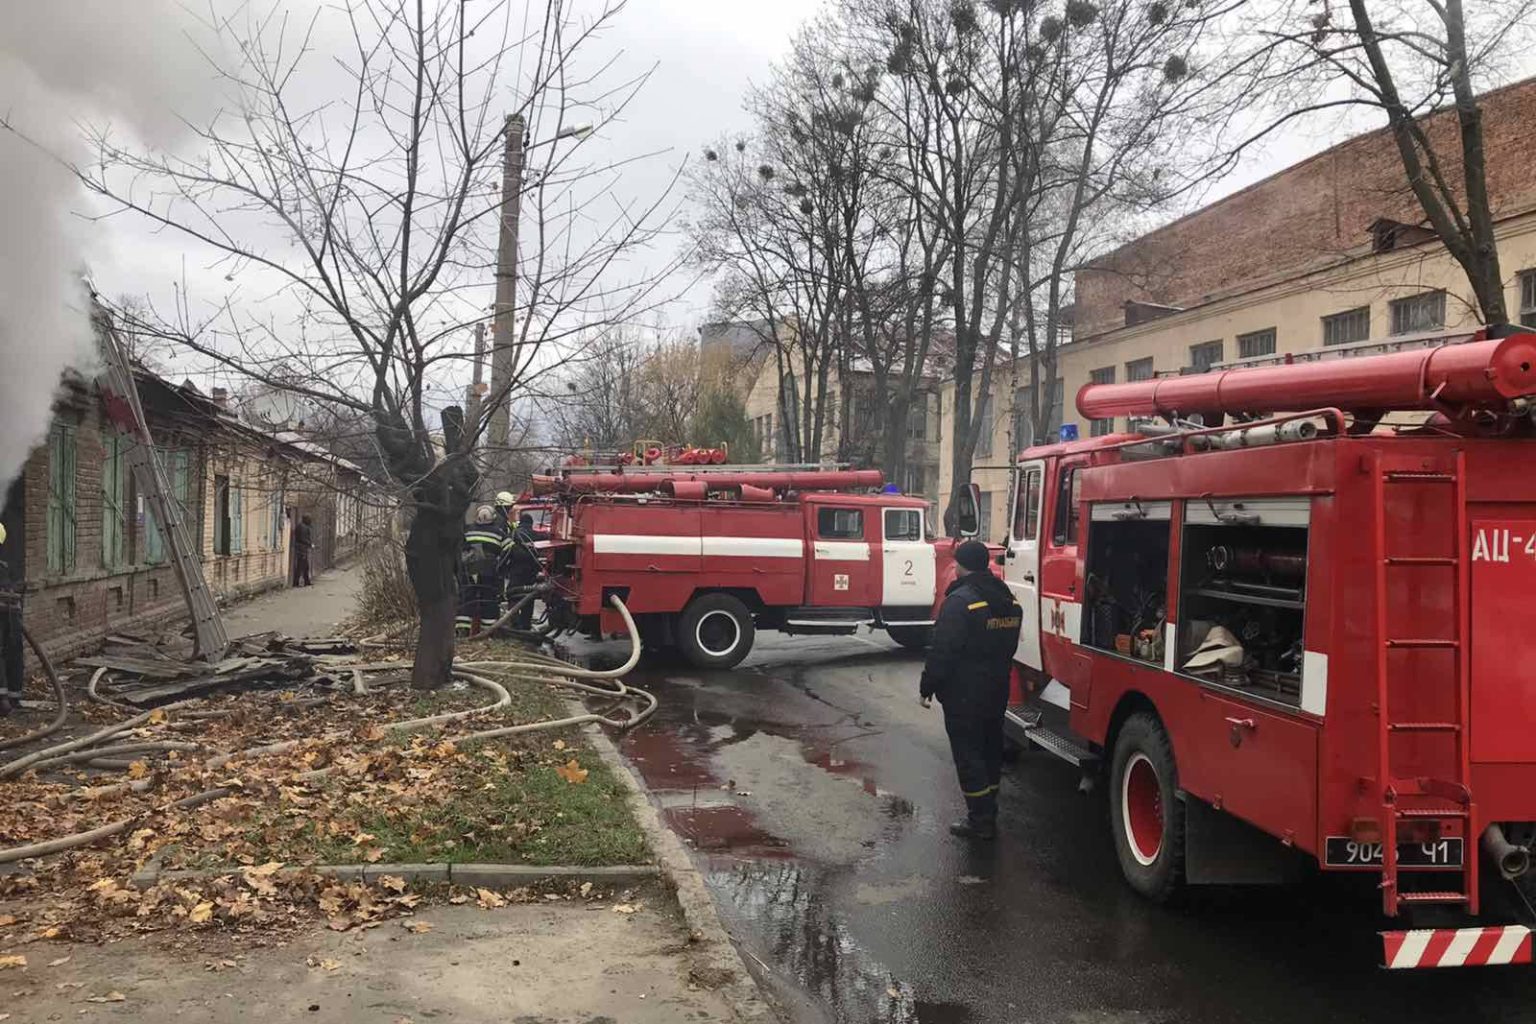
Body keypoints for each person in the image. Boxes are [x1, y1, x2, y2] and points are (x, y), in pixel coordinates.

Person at [919, 539, 1023, 840]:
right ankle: (989, 808)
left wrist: (928, 686)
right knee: (990, 749)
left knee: (969, 755)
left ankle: (980, 821)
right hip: (997, 690)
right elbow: (1010, 645)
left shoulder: (960, 602)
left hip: (964, 695)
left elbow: (942, 651)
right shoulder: (1009, 600)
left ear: (960, 565)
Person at [457, 505, 506, 637]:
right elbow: (509, 550)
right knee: (488, 600)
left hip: (469, 570)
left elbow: (459, 548)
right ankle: (487, 633)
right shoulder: (499, 533)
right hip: (489, 572)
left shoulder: (467, 530)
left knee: (466, 599)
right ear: (493, 518)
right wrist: (501, 565)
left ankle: (462, 631)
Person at [503, 510, 548, 630]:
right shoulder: (536, 535)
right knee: (529, 596)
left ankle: (514, 621)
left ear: (520, 522)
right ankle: (526, 623)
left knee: (513, 594)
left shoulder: (513, 534)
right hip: (531, 570)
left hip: (515, 570)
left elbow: (506, 552)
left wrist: (503, 569)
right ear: (531, 523)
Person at [292, 514, 314, 587]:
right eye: (309, 519)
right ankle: (296, 582)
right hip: (302, 549)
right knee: (301, 566)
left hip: (302, 548)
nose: (310, 521)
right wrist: (310, 544)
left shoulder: (301, 526)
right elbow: (303, 539)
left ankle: (306, 581)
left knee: (305, 566)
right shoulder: (303, 527)